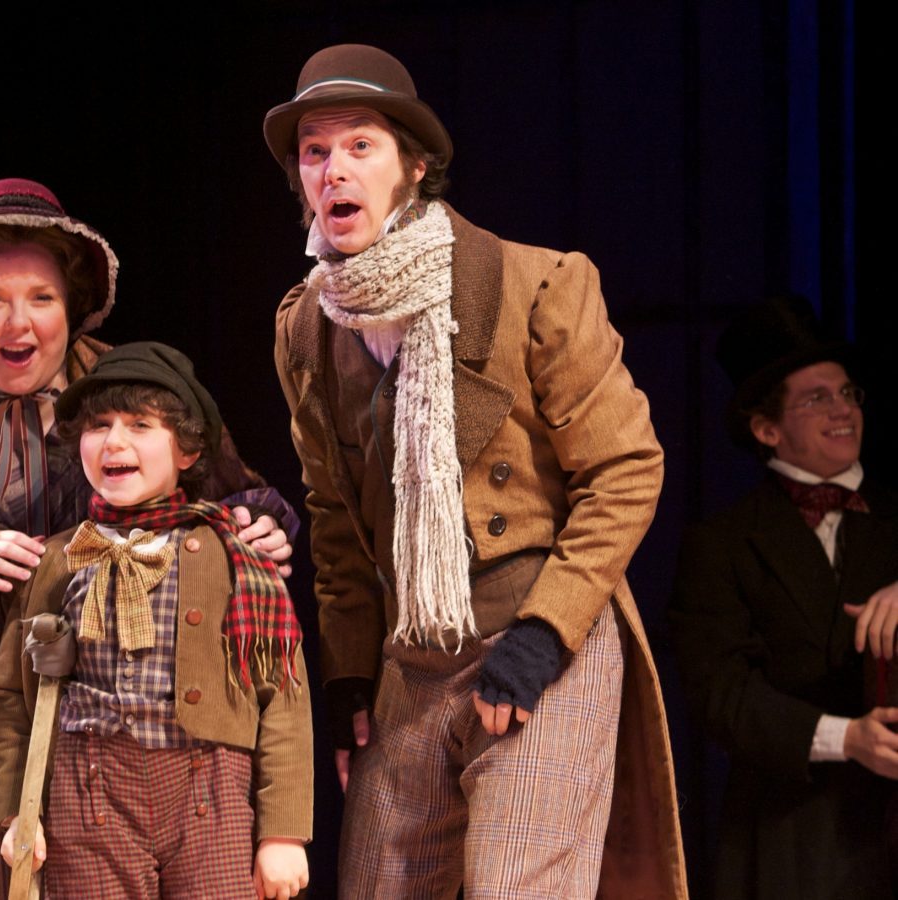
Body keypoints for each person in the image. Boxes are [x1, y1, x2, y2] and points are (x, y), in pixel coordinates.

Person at [265, 44, 686, 897]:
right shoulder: (307, 327)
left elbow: (625, 470)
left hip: (539, 632)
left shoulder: (535, 284)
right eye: (315, 151)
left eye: (360, 146)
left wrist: (542, 637)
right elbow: (337, 520)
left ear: (415, 167)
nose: (332, 169)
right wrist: (349, 673)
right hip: (413, 651)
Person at [0, 179, 295, 899]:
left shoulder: (126, 390)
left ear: (72, 306)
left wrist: (258, 521)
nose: (19, 324)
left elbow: (219, 488)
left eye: (41, 297)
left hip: (108, 734)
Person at [0, 342, 312, 900]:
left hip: (209, 795)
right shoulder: (59, 560)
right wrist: (20, 810)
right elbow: (11, 697)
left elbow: (282, 695)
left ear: (187, 449)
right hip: (88, 798)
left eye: (140, 425)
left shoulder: (234, 558)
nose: (114, 441)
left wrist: (283, 832)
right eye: (99, 425)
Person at [670, 295, 897, 899]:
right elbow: (719, 694)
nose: (842, 409)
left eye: (847, 393)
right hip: (794, 839)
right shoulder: (721, 543)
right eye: (816, 398)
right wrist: (845, 738)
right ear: (767, 429)